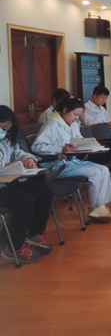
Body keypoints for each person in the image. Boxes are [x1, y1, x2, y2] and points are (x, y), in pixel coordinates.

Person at [31, 96, 111, 223]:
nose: (76, 118)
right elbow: (37, 147)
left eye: (79, 115)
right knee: (95, 173)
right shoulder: (52, 125)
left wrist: (88, 145)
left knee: (103, 169)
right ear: (65, 110)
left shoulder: (73, 124)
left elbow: (78, 140)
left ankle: (100, 207)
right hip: (57, 165)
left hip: (72, 162)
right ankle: (95, 209)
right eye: (75, 114)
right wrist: (61, 149)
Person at [0, 106, 53, 264]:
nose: (5, 132)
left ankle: (35, 233)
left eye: (8, 129)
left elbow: (16, 151)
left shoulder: (6, 139)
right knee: (25, 200)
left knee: (44, 191)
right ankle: (14, 248)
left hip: (9, 179)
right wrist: (6, 166)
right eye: (3, 128)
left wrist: (27, 158)